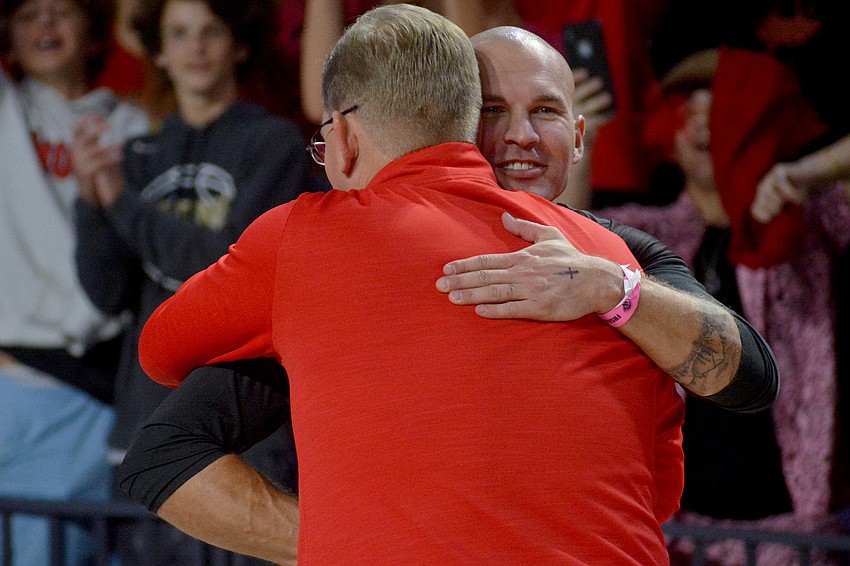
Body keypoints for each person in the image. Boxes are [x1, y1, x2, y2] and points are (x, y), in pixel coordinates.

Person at [130, 5, 688, 564]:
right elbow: (659, 489)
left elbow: (160, 353)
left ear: (343, 134)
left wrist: (343, 538)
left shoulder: (301, 240)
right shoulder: (609, 260)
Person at [69, 0, 308, 563]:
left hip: (246, 442)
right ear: (158, 51)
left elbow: (220, 273)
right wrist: (89, 203)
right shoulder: (135, 156)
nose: (195, 48)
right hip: (145, 426)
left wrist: (120, 206)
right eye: (178, 34)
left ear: (239, 45)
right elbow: (105, 293)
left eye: (211, 32)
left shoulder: (274, 145)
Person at [0, 0, 149, 564]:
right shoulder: (8, 112)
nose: (44, 24)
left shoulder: (137, 124)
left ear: (93, 30)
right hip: (17, 387)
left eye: (61, 10)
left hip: (103, 396)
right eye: (27, 14)